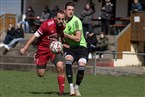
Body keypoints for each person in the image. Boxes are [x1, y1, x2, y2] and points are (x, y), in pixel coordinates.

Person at [20, 10, 66, 95]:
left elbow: (61, 34)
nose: (61, 21)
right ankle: (37, 56)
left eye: (63, 19)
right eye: (59, 19)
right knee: (40, 74)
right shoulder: (46, 25)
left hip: (54, 49)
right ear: (55, 18)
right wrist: (25, 47)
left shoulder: (63, 26)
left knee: (61, 66)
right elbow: (34, 35)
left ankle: (61, 92)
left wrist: (63, 45)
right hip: (43, 49)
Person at [63, 2, 88, 96]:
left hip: (81, 47)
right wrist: (62, 43)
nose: (71, 12)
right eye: (69, 10)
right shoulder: (62, 21)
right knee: (68, 62)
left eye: (72, 10)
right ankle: (71, 88)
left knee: (81, 68)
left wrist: (65, 35)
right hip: (70, 48)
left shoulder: (76, 21)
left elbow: (77, 38)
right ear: (65, 10)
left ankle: (77, 87)